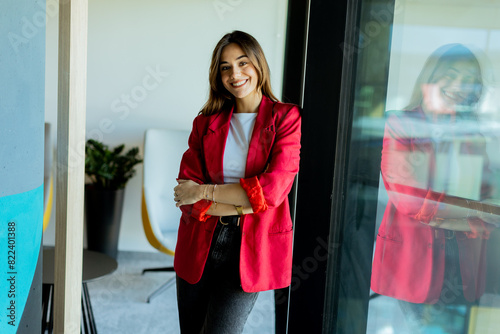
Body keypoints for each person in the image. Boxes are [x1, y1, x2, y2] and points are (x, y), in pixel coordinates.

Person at [172, 30, 301, 333]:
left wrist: (205, 193)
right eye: (226, 67)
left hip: (250, 247)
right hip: (200, 240)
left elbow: (272, 191)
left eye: (243, 63)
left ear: (258, 65)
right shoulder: (205, 122)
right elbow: (184, 194)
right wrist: (242, 204)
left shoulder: (286, 118)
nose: (235, 73)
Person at [371, 44, 499, 332]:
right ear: (432, 77)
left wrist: (453, 214)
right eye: (450, 76)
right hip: (413, 263)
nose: (459, 86)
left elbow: (490, 194)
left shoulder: (472, 131)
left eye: (468, 80)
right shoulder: (401, 124)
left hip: (464, 264)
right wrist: (476, 211)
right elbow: (412, 202)